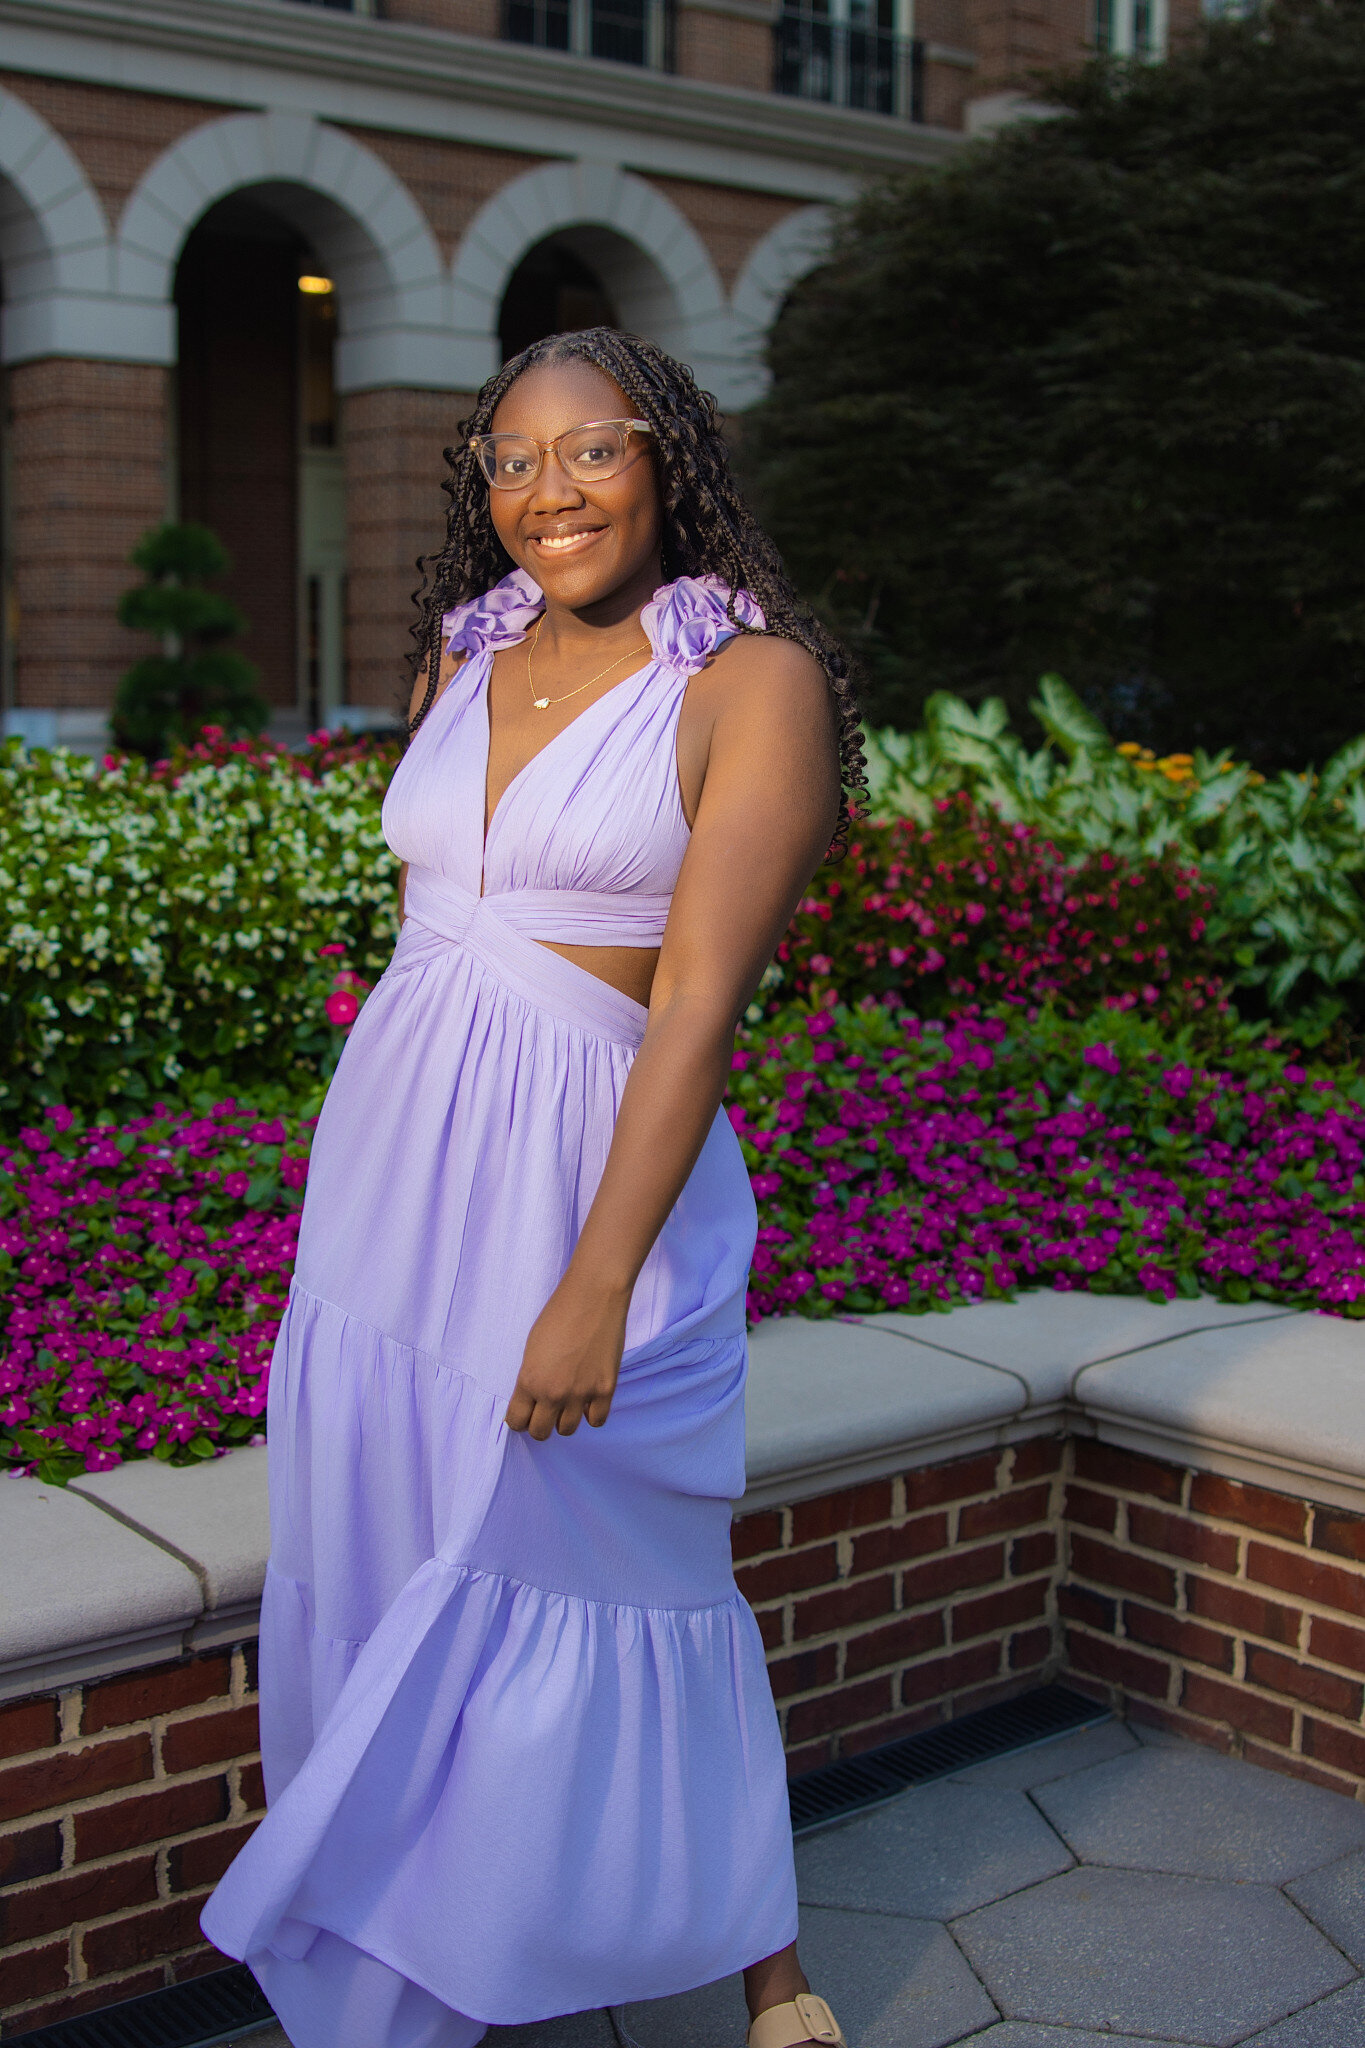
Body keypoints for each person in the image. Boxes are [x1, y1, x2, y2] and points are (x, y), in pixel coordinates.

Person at [201, 327, 865, 2048]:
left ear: (669, 457)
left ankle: (763, 1966)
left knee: (622, 1567)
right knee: (386, 1542)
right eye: (510, 459)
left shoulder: (747, 681)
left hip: (589, 1171)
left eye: (591, 449)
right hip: (393, 1171)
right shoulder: (457, 657)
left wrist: (592, 1281)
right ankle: (410, 1952)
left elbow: (696, 1012)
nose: (546, 492)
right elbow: (444, 926)